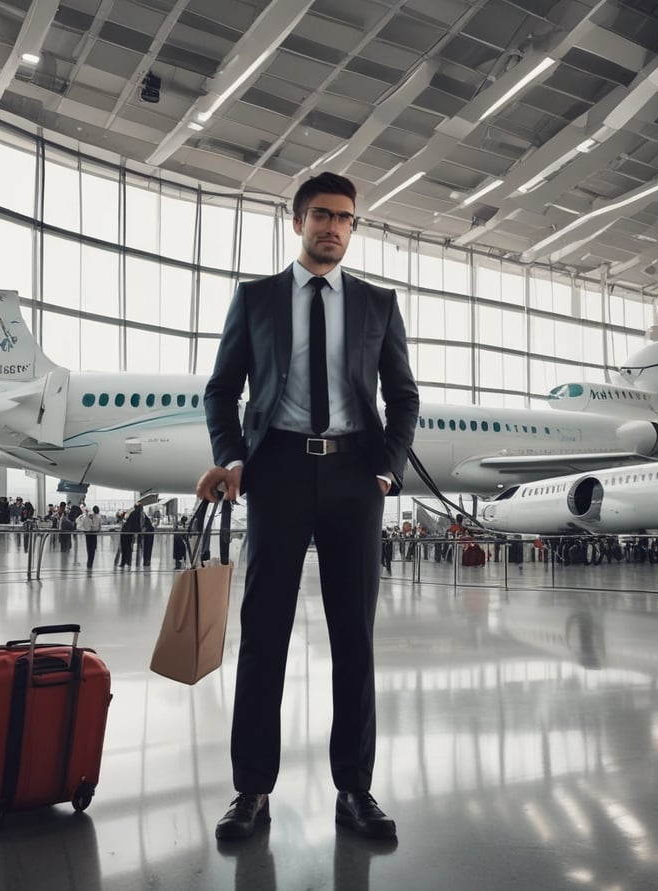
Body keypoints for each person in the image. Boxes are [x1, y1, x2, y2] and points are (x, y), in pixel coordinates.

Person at [196, 172, 419, 842]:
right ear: (297, 222)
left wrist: (386, 469)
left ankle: (355, 789)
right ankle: (251, 790)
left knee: (356, 636)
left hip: (356, 474)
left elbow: (403, 394)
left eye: (345, 218)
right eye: (321, 215)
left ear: (354, 227)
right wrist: (234, 460)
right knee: (265, 632)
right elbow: (221, 390)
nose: (333, 227)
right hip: (280, 471)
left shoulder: (378, 303)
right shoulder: (257, 299)